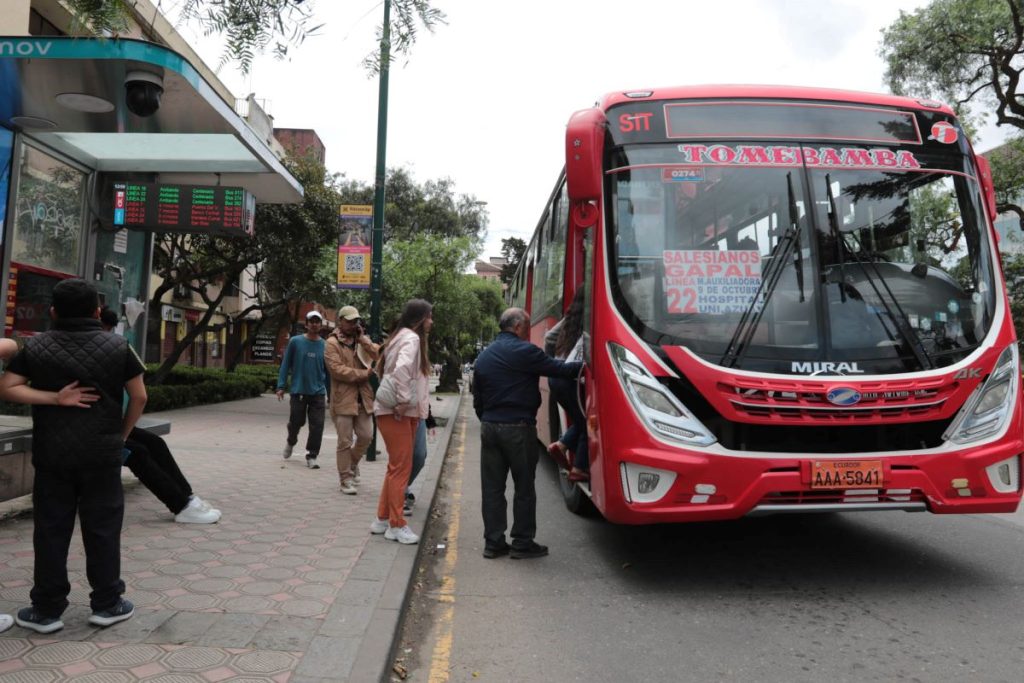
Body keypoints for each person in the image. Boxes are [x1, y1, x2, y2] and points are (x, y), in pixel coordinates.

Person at [0, 279, 146, 633]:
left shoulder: (37, 346)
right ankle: (107, 604)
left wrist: (54, 397)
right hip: (102, 455)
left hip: (53, 456)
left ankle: (46, 610)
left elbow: (7, 387)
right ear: (97, 311)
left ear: (53, 311)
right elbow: (140, 396)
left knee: (50, 530)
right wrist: (121, 435)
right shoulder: (118, 346)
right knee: (103, 529)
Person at [472, 307, 583, 560]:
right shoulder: (526, 351)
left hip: (490, 428)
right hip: (519, 428)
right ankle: (522, 542)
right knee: (523, 487)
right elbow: (560, 369)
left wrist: (489, 420)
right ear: (518, 327)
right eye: (527, 326)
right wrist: (589, 364)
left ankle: (493, 544)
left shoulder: (484, 356)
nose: (528, 332)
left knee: (492, 489)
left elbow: (477, 399)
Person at [100, 307, 221, 524]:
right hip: (91, 433)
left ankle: (188, 497)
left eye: (108, 330)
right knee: (137, 452)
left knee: (154, 442)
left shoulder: (101, 347)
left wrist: (123, 433)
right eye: (104, 329)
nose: (106, 334)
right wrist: (122, 437)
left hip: (105, 425)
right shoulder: (113, 348)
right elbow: (139, 397)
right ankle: (180, 505)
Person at [369, 299, 433, 545]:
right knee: (401, 469)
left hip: (393, 411)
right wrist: (404, 400)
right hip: (399, 411)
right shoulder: (412, 339)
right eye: (429, 317)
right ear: (420, 319)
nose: (431, 322)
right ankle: (396, 525)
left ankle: (382, 518)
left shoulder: (399, 336)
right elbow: (403, 369)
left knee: (395, 467)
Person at [325, 305, 379, 495]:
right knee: (344, 441)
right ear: (340, 321)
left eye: (355, 321)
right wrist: (364, 374)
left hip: (363, 398)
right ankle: (345, 479)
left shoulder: (360, 340)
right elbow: (337, 370)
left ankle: (353, 464)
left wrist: (363, 339)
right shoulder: (331, 343)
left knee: (366, 436)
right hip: (343, 399)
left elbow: (378, 354)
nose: (352, 324)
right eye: (349, 321)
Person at [544, 289, 589, 482]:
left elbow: (548, 338)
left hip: (557, 376)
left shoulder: (570, 318)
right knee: (588, 423)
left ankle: (561, 446)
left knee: (581, 420)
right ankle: (579, 468)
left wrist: (553, 363)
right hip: (570, 377)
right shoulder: (591, 318)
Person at [276, 310, 328, 469]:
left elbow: (329, 371)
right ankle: (291, 441)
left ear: (321, 325)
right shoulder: (295, 342)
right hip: (298, 390)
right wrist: (281, 386)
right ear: (306, 324)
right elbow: (285, 364)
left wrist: (332, 394)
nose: (314, 324)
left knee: (317, 425)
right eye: (311, 321)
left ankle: (312, 455)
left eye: (317, 322)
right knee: (296, 421)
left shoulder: (325, 345)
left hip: (318, 392)